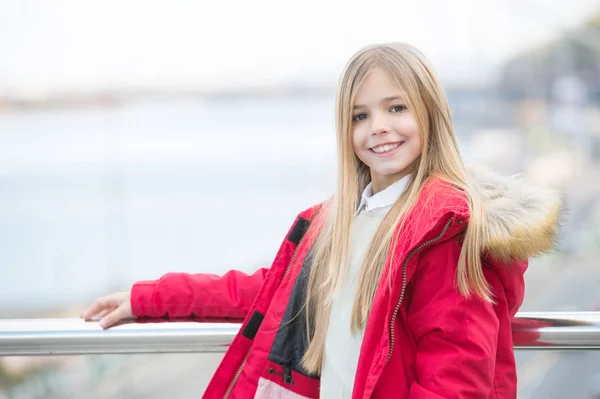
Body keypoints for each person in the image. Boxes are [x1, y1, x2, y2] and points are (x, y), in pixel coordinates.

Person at [81, 42, 561, 398]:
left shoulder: (445, 231)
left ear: (431, 116)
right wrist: (148, 298)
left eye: (396, 108)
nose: (378, 127)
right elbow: (263, 291)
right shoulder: (339, 223)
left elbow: (456, 378)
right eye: (360, 116)